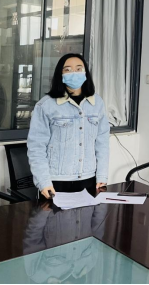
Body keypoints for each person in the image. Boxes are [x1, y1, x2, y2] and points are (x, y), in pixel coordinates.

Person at [27, 53, 110, 199]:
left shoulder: (97, 103)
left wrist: (102, 175)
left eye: (79, 69)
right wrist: (43, 182)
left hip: (89, 178)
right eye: (68, 70)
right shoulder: (46, 105)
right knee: (54, 215)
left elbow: (102, 143)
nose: (74, 73)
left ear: (85, 73)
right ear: (60, 74)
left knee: (88, 214)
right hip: (56, 181)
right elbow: (36, 147)